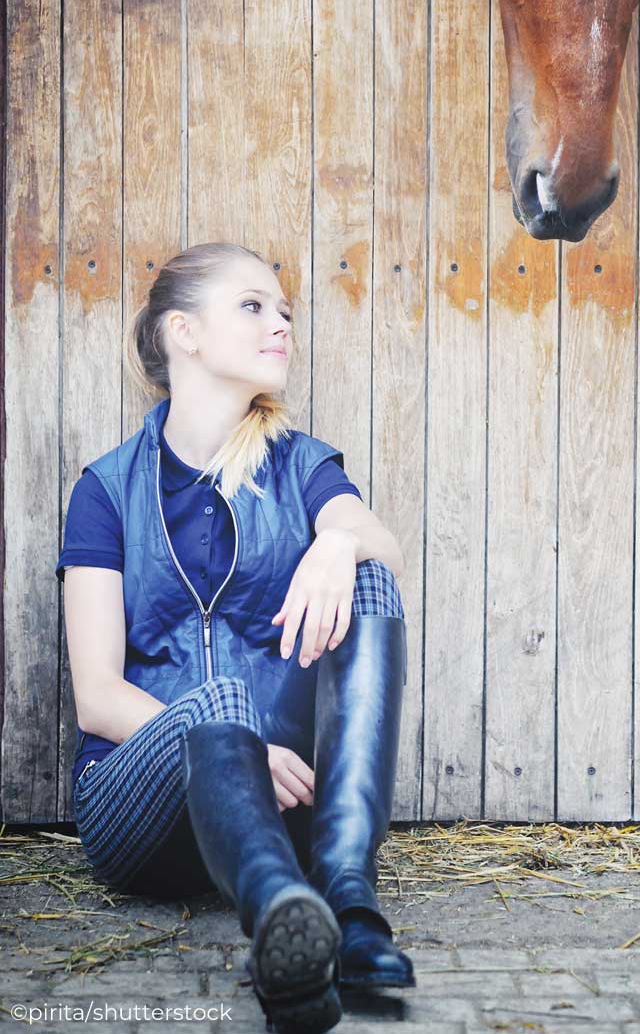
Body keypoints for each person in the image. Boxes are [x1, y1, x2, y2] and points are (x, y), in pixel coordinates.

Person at [57, 241, 414, 1034]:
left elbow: (377, 540)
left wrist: (336, 540)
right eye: (252, 305)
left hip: (289, 800)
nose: (280, 322)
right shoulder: (106, 490)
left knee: (368, 576)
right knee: (214, 698)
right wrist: (234, 736)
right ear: (184, 332)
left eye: (284, 309)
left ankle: (342, 905)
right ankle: (280, 913)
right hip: (140, 807)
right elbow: (97, 697)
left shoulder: (300, 464)